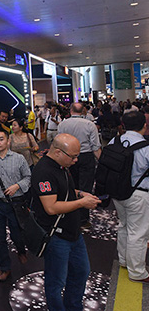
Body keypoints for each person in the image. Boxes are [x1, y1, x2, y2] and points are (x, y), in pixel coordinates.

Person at [32, 134, 100, 310]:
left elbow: (63, 189)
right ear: (57, 152)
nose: (76, 160)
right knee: (56, 281)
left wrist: (80, 193)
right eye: (73, 156)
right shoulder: (44, 171)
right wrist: (82, 203)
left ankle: (73, 306)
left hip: (73, 232)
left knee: (81, 272)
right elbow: (51, 207)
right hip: (57, 235)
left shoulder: (61, 166)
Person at [0, 127, 31, 282]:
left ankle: (21, 250)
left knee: (17, 233)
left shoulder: (19, 159)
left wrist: (17, 186)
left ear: (8, 141)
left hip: (15, 202)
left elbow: (28, 177)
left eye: (1, 139)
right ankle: (5, 267)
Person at [110, 111, 149, 283]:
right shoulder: (146, 147)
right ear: (144, 126)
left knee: (124, 225)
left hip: (117, 192)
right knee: (138, 233)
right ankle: (137, 271)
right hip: (139, 194)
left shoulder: (115, 141)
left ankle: (124, 260)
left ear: (123, 125)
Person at [57, 102, 101, 229]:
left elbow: (59, 143)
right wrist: (102, 163)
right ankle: (83, 219)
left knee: (71, 186)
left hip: (68, 156)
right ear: (83, 111)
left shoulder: (63, 124)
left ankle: (71, 216)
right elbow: (95, 147)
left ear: (70, 111)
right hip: (86, 156)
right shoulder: (90, 124)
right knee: (85, 187)